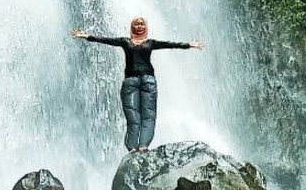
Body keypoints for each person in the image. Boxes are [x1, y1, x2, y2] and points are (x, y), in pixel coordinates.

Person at [71, 17, 205, 153]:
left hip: (148, 81)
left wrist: (188, 45)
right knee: (132, 114)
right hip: (130, 81)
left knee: (149, 114)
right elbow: (106, 40)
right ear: (132, 26)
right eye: (136, 24)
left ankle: (144, 145)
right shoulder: (125, 41)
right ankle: (132, 147)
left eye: (142, 24)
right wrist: (87, 36)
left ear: (145, 27)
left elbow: (170, 44)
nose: (139, 26)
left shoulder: (151, 43)